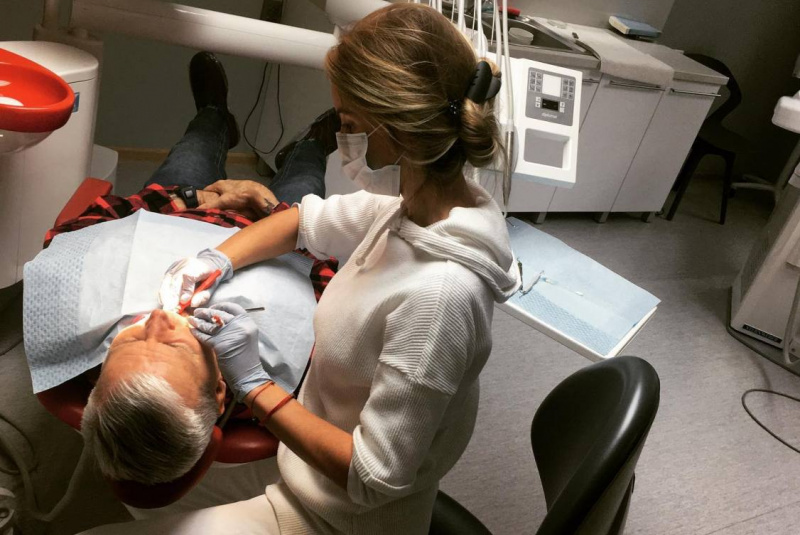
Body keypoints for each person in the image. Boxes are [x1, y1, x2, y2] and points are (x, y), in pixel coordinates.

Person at [82, 4, 519, 534]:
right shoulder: (414, 209)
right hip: (302, 457)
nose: (346, 142)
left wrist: (255, 385)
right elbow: (301, 223)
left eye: (349, 125)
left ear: (401, 132)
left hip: (338, 514)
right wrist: (216, 259)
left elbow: (372, 477)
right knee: (147, 486)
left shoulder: (441, 297)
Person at [24, 51, 339, 486]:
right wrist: (277, 216)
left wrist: (194, 199)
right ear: (219, 391)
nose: (157, 319)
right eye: (176, 346)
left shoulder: (73, 337)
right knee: (305, 180)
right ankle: (310, 146)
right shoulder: (297, 368)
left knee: (194, 148)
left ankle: (215, 117)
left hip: (183, 205)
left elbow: (83, 231)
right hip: (275, 222)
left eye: (127, 340)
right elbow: (328, 269)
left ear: (96, 380)